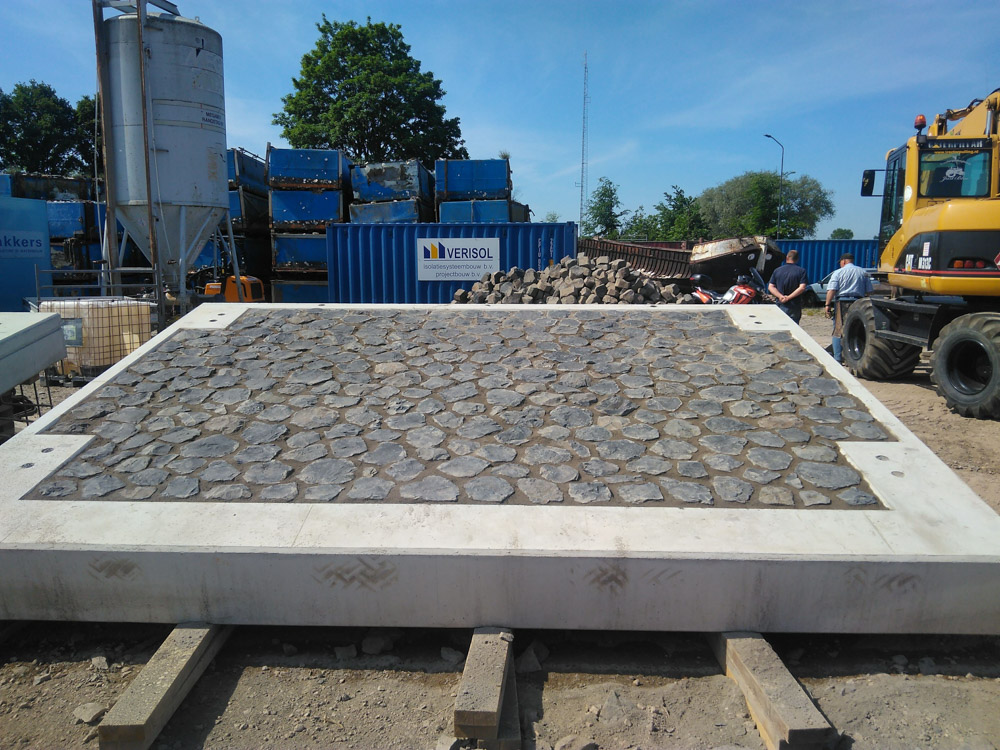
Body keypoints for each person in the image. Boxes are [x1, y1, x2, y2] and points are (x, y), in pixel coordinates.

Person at [825, 253, 873, 363]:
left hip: (842, 302)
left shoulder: (838, 272)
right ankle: (854, 356)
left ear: (843, 261)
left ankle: (837, 357)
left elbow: (832, 289)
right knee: (857, 329)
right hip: (858, 302)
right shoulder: (863, 272)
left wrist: (827, 304)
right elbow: (870, 291)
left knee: (838, 330)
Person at [767, 249, 810, 323]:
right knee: (794, 326)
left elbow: (771, 286)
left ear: (787, 258)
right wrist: (788, 297)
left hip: (780, 303)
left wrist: (780, 296)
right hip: (794, 305)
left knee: (780, 325)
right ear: (797, 259)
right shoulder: (801, 271)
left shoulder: (777, 270)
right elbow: (802, 287)